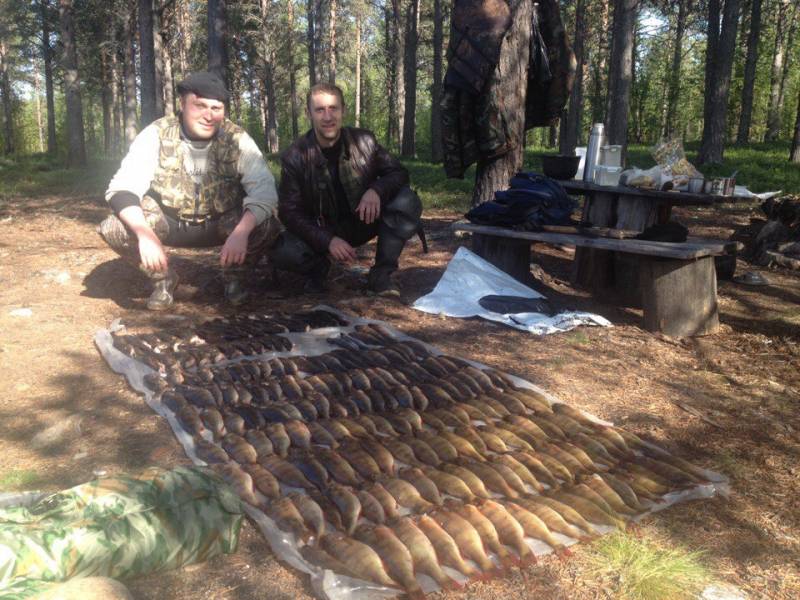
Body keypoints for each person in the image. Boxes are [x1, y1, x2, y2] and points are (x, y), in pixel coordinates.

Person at [98, 71, 281, 310]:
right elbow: (123, 186)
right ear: (182, 104)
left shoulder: (237, 138)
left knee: (267, 224)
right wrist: (144, 233)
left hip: (220, 222)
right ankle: (163, 280)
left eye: (217, 108)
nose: (209, 115)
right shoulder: (157, 133)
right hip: (170, 221)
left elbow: (265, 189)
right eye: (200, 106)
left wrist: (241, 232)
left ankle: (233, 277)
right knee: (115, 227)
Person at [271, 82, 422, 296]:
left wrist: (376, 190)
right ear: (309, 114)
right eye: (320, 110)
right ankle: (318, 269)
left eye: (333, 108)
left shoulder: (365, 141)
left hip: (364, 220)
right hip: (322, 229)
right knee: (283, 251)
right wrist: (327, 240)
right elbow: (289, 211)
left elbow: (399, 173)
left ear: (344, 110)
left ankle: (381, 275)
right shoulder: (294, 156)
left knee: (407, 201)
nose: (327, 116)